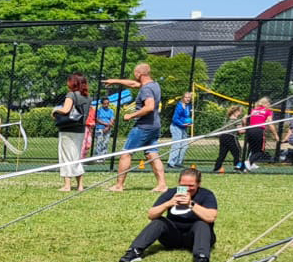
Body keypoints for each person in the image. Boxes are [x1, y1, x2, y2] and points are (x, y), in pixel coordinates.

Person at [118, 166, 218, 262]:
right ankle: (134, 252)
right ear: (179, 183)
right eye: (183, 185)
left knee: (202, 224)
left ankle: (201, 258)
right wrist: (168, 203)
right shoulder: (171, 193)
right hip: (173, 237)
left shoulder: (206, 195)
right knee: (158, 222)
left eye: (191, 185)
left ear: (198, 184)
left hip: (195, 237)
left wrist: (191, 204)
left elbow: (211, 217)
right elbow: (151, 214)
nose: (187, 188)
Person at [104, 64, 166, 192]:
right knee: (152, 153)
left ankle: (119, 185)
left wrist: (131, 115)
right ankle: (162, 185)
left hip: (143, 126)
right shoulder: (154, 85)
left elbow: (149, 107)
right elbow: (133, 84)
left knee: (126, 153)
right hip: (155, 125)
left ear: (139, 74)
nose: (134, 76)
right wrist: (115, 81)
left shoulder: (146, 89)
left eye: (135, 74)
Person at [53, 73, 92, 191]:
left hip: (68, 129)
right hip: (80, 129)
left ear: (73, 83)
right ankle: (80, 185)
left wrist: (55, 111)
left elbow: (65, 110)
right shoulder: (88, 97)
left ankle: (67, 185)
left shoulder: (71, 95)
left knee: (65, 157)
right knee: (76, 156)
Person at [166, 91, 195, 169]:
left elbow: (187, 117)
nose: (188, 99)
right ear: (183, 98)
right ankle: (171, 163)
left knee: (185, 145)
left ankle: (178, 162)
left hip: (184, 128)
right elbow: (175, 119)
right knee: (176, 145)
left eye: (189, 97)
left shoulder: (189, 106)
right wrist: (182, 124)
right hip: (176, 127)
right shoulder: (179, 106)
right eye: (186, 97)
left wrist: (189, 122)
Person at [244, 97, 273, 170]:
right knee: (260, 151)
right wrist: (275, 134)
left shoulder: (253, 110)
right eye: (269, 103)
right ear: (266, 104)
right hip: (259, 130)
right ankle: (249, 161)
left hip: (250, 130)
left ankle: (252, 163)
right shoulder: (268, 111)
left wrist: (246, 126)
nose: (270, 105)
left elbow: (244, 119)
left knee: (253, 148)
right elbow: (270, 122)